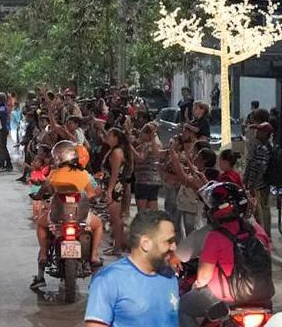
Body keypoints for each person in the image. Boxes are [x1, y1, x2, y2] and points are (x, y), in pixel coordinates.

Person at [178, 182, 273, 327]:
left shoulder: (215, 236)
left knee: (183, 308)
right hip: (262, 296)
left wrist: (197, 285)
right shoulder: (256, 230)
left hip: (225, 297)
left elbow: (203, 278)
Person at [84, 210, 179, 327]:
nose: (174, 247)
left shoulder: (169, 275)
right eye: (168, 241)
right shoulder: (108, 280)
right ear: (145, 243)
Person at [30, 141, 103, 290]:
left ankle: (43, 256)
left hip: (58, 217)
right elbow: (91, 194)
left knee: (41, 224)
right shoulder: (83, 174)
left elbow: (44, 190)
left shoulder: (54, 174)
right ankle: (94, 255)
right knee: (98, 225)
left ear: (57, 157)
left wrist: (38, 196)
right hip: (80, 217)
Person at [101, 128, 132, 255]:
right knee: (114, 218)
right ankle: (116, 245)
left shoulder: (117, 152)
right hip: (113, 186)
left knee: (116, 218)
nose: (107, 136)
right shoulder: (114, 151)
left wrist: (109, 190)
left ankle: (117, 247)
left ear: (116, 137)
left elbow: (114, 173)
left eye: (110, 135)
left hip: (115, 187)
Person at [245, 122, 274, 237]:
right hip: (263, 185)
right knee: (264, 209)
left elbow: (260, 168)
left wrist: (253, 185)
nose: (256, 132)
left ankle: (263, 235)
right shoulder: (267, 147)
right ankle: (266, 234)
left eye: (259, 131)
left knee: (260, 211)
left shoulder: (262, 149)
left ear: (265, 134)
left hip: (259, 186)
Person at [132, 123, 164, 212]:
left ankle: (143, 225)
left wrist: (130, 147)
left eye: (142, 132)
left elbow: (140, 158)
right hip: (154, 181)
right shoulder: (157, 144)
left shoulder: (147, 145)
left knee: (142, 211)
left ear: (148, 134)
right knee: (153, 209)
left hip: (144, 180)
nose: (140, 134)